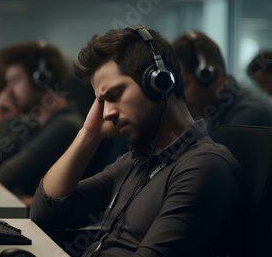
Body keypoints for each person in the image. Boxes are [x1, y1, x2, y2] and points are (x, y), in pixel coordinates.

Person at [30, 25, 245, 257]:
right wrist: (88, 134)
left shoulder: (203, 166)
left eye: (114, 95)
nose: (106, 113)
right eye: (102, 102)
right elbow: (45, 212)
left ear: (158, 83)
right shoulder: (137, 160)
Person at [0, 40, 83, 205]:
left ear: (41, 79)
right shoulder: (33, 124)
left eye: (15, 81)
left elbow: (4, 176)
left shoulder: (65, 126)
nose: (8, 91)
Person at [172, 31, 272, 133]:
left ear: (211, 75)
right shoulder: (214, 110)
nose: (183, 96)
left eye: (185, 85)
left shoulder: (249, 114)